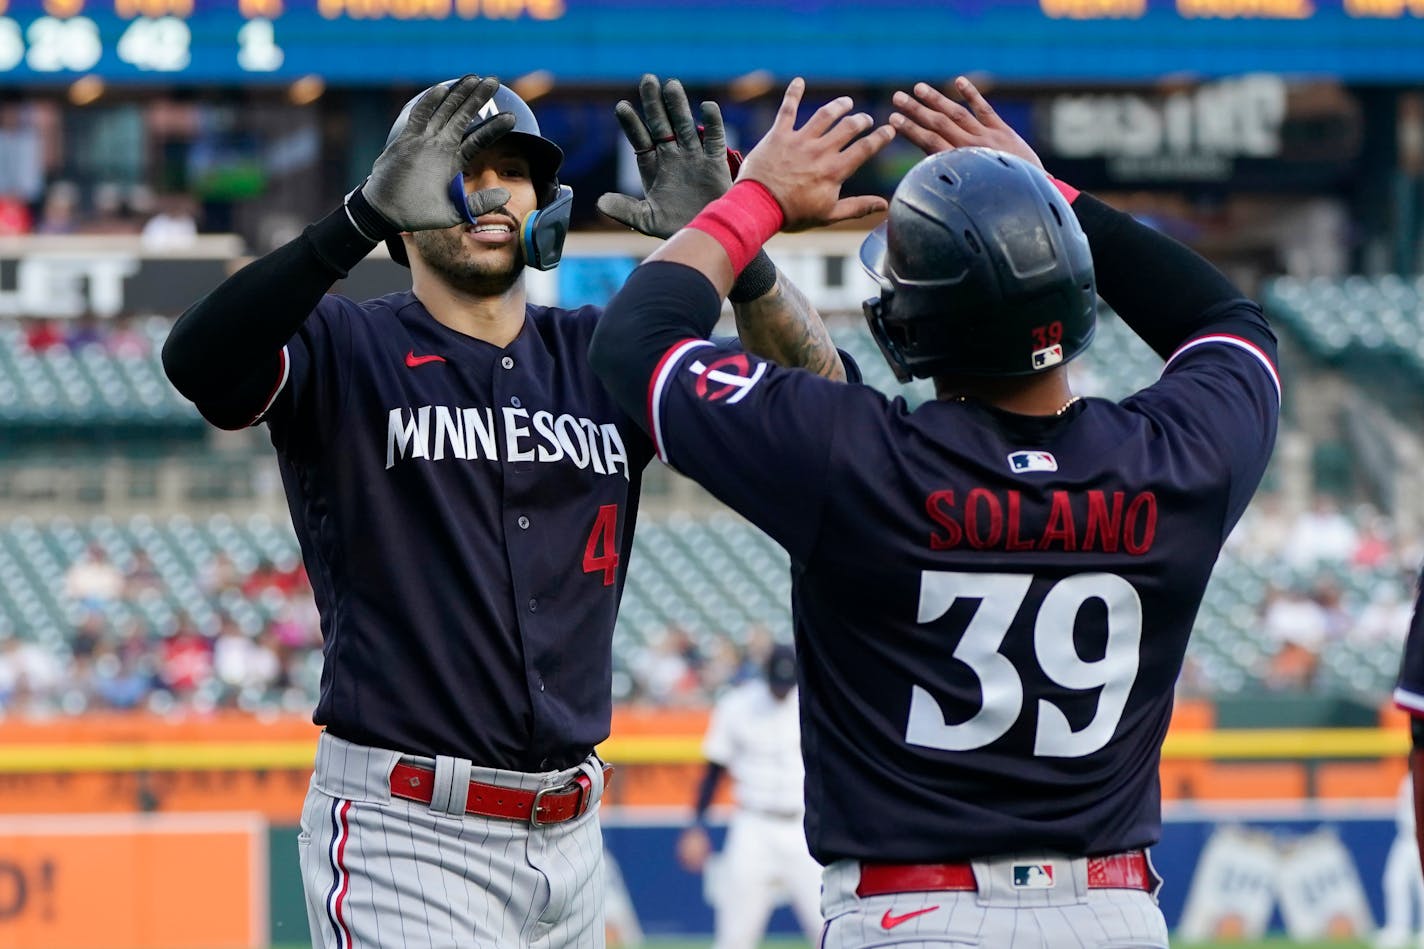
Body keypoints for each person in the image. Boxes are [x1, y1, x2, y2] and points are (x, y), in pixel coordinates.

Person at [589, 76, 1279, 948]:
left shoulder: (859, 460)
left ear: (907, 324)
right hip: (1112, 912)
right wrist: (1050, 197)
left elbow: (634, 343)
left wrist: (750, 207)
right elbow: (1228, 319)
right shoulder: (1180, 460)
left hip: (916, 914)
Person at [161, 74, 849, 949]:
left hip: (572, 835)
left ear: (542, 200)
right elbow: (196, 361)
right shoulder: (346, 345)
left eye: (511, 170)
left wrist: (740, 246)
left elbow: (829, 429)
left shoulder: (608, 353)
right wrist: (358, 220)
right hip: (407, 830)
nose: (489, 189)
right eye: (457, 167)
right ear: (401, 194)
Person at [676, 643, 822, 948]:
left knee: (827, 929)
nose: (781, 690)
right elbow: (715, 769)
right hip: (753, 825)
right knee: (734, 937)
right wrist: (696, 825)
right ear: (764, 675)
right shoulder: (738, 704)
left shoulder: (812, 702)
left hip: (802, 825)